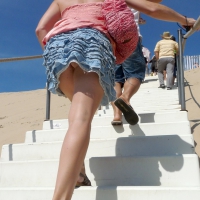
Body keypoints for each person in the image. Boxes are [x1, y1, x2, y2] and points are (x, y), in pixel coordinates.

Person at [35, 0, 197, 199]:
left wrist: (55, 53)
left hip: (57, 48)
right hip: (92, 45)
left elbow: (40, 29)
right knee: (81, 120)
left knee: (77, 118)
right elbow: (153, 8)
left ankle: (78, 172)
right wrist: (185, 20)